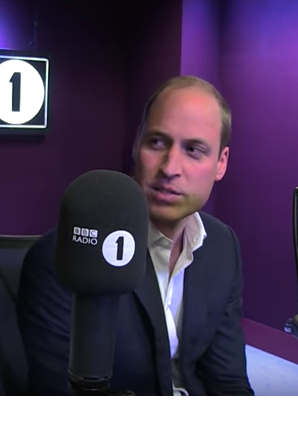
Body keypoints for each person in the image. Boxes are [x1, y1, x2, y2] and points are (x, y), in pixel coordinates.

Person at [17, 75, 254, 397]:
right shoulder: (63, 258)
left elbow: (227, 381)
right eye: (157, 142)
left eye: (194, 150)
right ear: (136, 143)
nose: (170, 167)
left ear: (220, 163)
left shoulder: (222, 245)